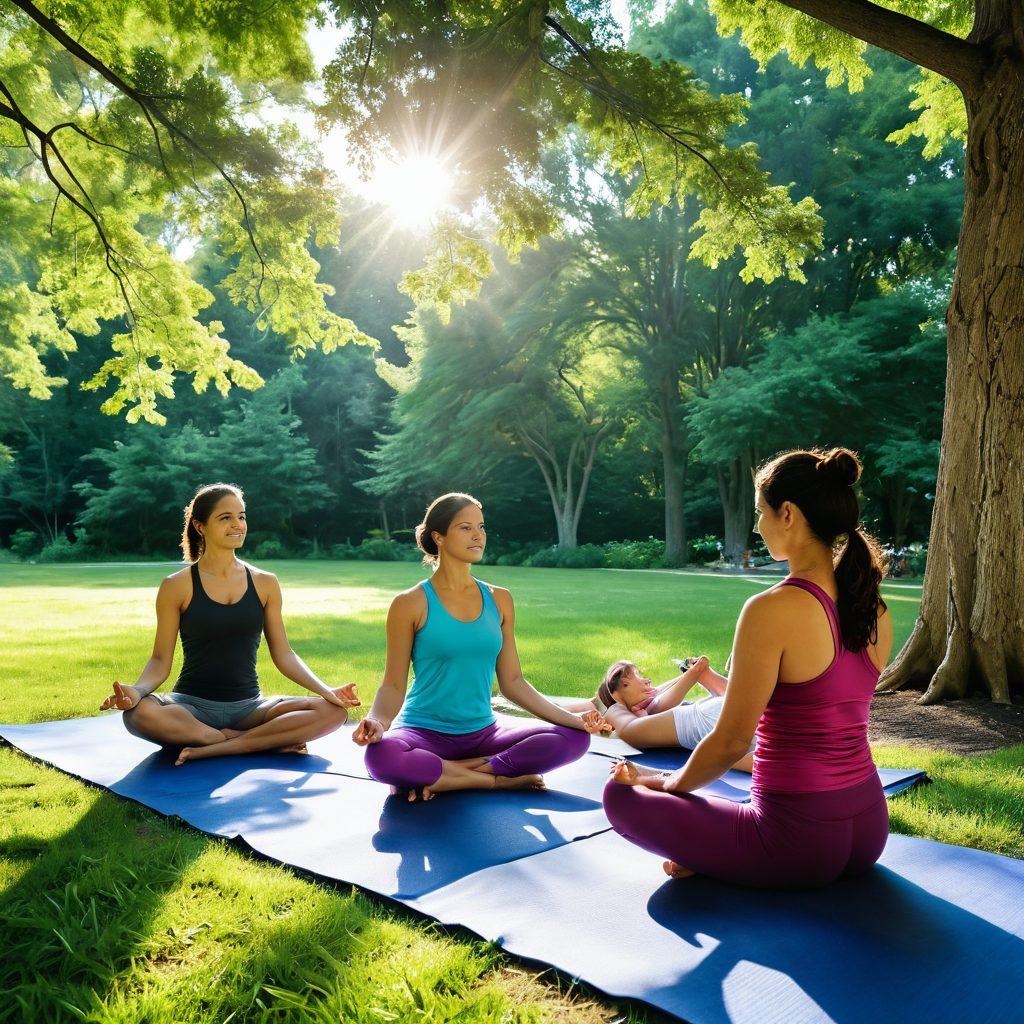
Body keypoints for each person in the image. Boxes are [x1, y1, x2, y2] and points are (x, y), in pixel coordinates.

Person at [604, 448, 894, 889]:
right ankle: (719, 850)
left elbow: (730, 741)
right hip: (870, 828)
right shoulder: (874, 606)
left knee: (619, 796)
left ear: (789, 514)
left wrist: (666, 785)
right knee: (692, 798)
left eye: (761, 512)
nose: (758, 525)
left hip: (799, 843)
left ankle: (717, 853)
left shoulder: (770, 608)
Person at [353, 492, 606, 800]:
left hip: (484, 732)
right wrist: (378, 723)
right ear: (439, 536)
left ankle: (446, 774)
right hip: (423, 731)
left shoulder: (499, 599)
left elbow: (513, 683)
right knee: (382, 757)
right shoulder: (410, 603)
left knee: (574, 739)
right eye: (465, 527)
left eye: (482, 527)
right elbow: (392, 685)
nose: (478, 535)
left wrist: (574, 720)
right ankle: (494, 780)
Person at [99, 483, 359, 765]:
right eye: (225, 518)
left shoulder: (265, 583)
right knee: (138, 714)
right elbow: (160, 660)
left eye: (242, 516)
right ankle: (253, 742)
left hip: (250, 709)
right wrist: (136, 692)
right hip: (189, 708)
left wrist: (327, 691)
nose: (238, 525)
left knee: (334, 711)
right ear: (200, 526)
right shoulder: (176, 586)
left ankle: (219, 745)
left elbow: (284, 654)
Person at [565, 659, 756, 772]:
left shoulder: (638, 708)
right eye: (639, 677)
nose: (647, 681)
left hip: (725, 713)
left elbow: (659, 697)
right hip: (723, 714)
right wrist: (695, 673)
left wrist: (696, 672)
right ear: (622, 686)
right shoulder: (620, 710)